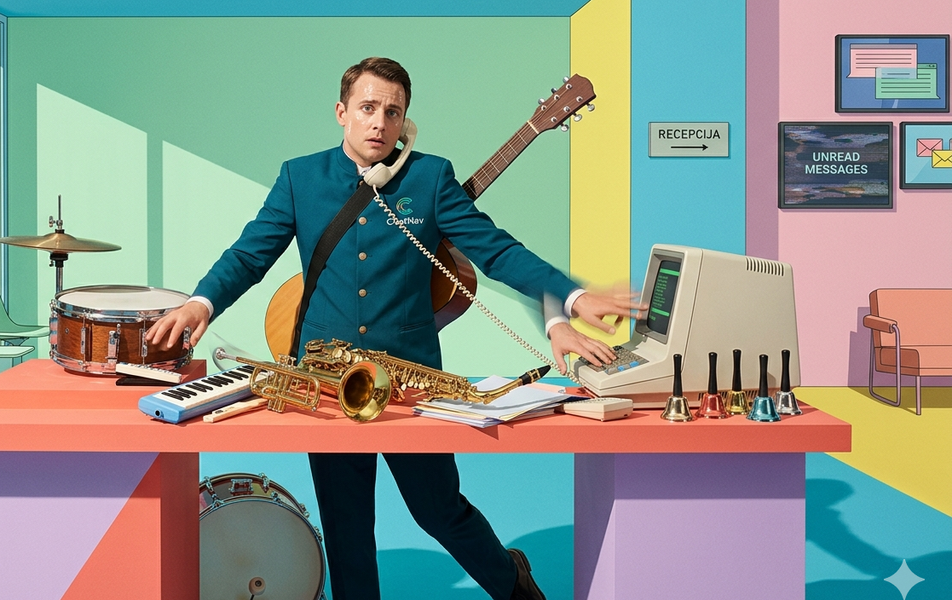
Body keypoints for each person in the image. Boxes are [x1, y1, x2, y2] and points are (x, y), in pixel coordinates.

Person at [147, 57, 639, 600]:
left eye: (393, 112)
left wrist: (571, 297)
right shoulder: (299, 177)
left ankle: (513, 582)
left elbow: (497, 250)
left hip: (412, 386)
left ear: (405, 120)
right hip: (327, 386)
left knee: (439, 510)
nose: (380, 122)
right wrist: (202, 302)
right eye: (367, 108)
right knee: (346, 528)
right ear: (342, 113)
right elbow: (250, 253)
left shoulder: (431, 178)